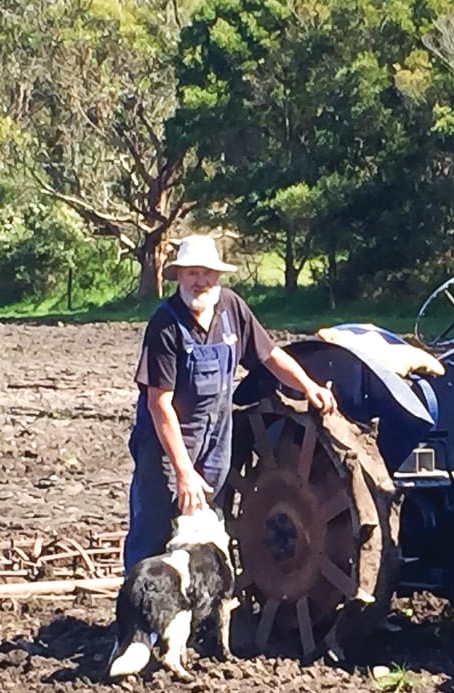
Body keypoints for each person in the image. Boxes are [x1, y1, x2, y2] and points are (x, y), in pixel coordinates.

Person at [124, 234, 335, 573]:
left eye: (207, 273)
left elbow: (270, 356)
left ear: (218, 276)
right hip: (168, 449)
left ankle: (198, 619)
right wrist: (183, 472)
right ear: (179, 276)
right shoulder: (166, 324)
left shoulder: (231, 309)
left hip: (215, 444)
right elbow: (158, 404)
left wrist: (308, 386)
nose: (200, 281)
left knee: (207, 530)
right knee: (154, 535)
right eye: (192, 273)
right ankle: (138, 620)